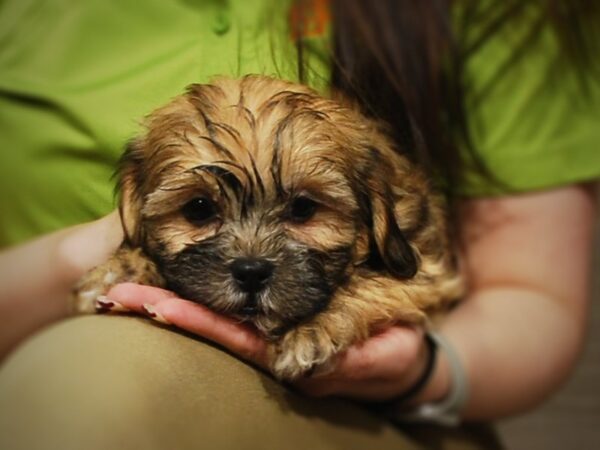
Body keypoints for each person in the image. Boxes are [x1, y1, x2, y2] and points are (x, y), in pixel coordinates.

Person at [0, 1, 598, 449]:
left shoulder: (500, 21)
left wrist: (412, 367)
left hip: (370, 422)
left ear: (374, 215)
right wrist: (86, 257)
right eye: (201, 211)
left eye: (305, 210)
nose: (251, 257)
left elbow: (491, 290)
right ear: (133, 202)